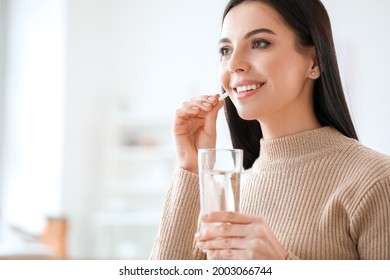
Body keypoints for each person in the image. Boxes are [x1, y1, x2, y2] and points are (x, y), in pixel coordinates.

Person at [150, 0, 390, 260]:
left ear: (314, 61)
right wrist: (191, 167)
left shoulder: (376, 182)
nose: (234, 64)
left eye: (259, 43)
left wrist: (281, 266)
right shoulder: (228, 193)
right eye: (226, 50)